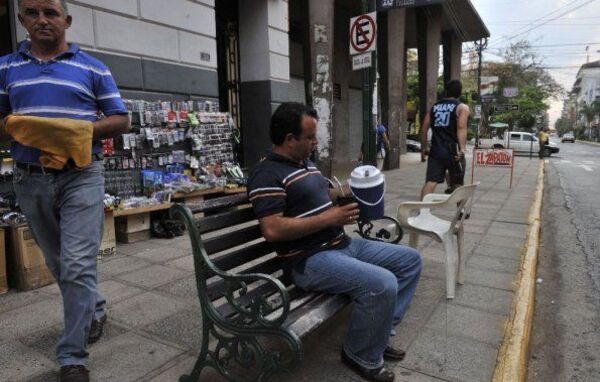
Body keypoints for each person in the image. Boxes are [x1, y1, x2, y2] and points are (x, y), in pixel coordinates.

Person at [0, 1, 130, 381]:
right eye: (33, 12)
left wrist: (72, 133)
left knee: (76, 264)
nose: (42, 19)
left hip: (81, 175)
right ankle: (96, 308)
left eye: (51, 12)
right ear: (22, 19)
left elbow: (120, 119)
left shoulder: (92, 67)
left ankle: (72, 355)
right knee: (60, 262)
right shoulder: (6, 67)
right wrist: (24, 129)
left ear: (66, 21)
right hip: (30, 176)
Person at [247, 102, 422, 382]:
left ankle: (380, 332)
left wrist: (345, 192)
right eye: (310, 137)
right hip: (309, 259)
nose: (316, 142)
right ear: (289, 140)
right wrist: (331, 218)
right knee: (382, 283)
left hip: (342, 245)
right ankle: (360, 354)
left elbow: (318, 196)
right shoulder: (266, 174)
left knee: (411, 260)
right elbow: (273, 229)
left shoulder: (303, 162)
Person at [420, 80, 470, 200]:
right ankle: (461, 210)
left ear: (446, 91)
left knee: (431, 182)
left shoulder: (434, 107)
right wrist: (462, 149)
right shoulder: (462, 107)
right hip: (454, 152)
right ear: (460, 92)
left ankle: (422, 211)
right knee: (457, 182)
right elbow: (461, 127)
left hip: (436, 151)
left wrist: (424, 147)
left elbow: (424, 129)